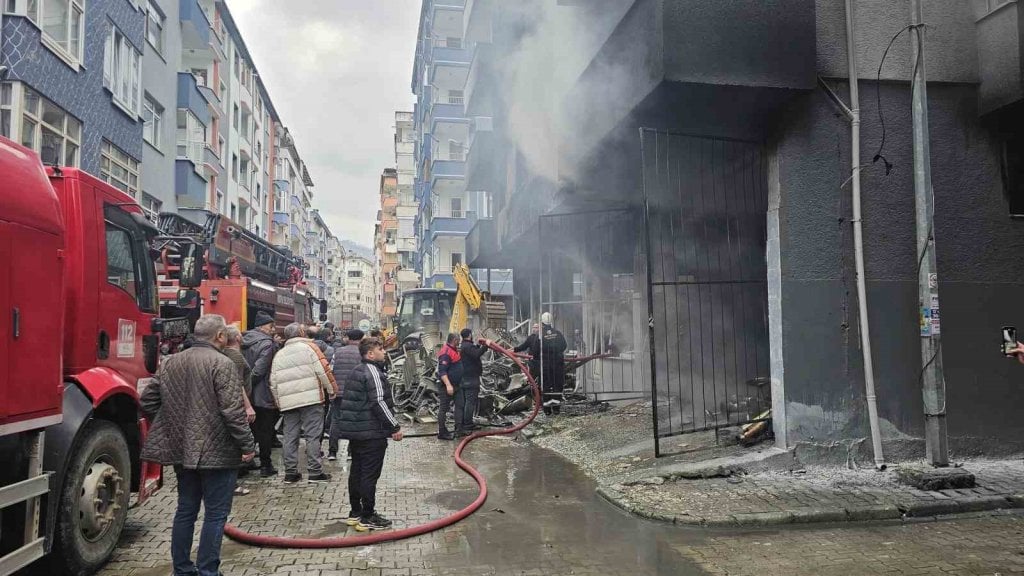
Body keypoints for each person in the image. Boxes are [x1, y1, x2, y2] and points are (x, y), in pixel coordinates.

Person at [140, 314, 256, 576]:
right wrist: (248, 445)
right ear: (219, 336)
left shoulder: (170, 362)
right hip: (218, 452)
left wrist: (171, 423)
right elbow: (232, 412)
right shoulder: (222, 363)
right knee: (215, 515)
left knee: (185, 510)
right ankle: (207, 571)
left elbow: (147, 400)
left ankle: (182, 569)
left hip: (182, 450)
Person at [337, 338, 403, 531]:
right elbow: (379, 402)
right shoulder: (372, 371)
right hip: (371, 433)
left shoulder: (356, 371)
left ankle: (355, 512)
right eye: (380, 349)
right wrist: (395, 427)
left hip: (357, 433)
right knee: (369, 475)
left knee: (356, 471)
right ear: (370, 354)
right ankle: (368, 516)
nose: (384, 352)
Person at [271, 323, 337, 483]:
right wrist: (332, 390)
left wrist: (279, 402)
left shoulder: (279, 354)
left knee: (290, 437)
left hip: (289, 402)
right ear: (301, 332)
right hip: (312, 399)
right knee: (312, 436)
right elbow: (324, 370)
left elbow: (273, 382)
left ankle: (290, 473)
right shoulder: (310, 348)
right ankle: (315, 472)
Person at [242, 311, 280, 477]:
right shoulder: (267, 344)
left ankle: (246, 462)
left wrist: (242, 390)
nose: (273, 330)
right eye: (272, 326)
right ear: (265, 327)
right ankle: (266, 465)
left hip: (244, 394)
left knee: (248, 430)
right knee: (265, 430)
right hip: (261, 394)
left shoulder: (242, 340)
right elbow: (259, 370)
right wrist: (249, 387)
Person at [223, 325, 256, 490]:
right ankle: (232, 482)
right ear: (237, 338)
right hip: (238, 404)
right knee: (236, 441)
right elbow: (238, 382)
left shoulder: (226, 354)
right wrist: (247, 405)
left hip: (235, 402)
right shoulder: (234, 356)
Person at [329, 329, 364, 460]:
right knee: (355, 421)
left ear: (348, 338)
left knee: (336, 420)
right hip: (356, 392)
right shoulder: (362, 353)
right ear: (360, 339)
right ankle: (351, 452)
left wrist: (332, 389)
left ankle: (332, 452)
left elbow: (331, 370)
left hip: (339, 392)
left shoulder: (337, 352)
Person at [459, 328, 490, 431]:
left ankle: (464, 422)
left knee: (467, 401)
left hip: (465, 378)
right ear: (469, 335)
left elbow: (473, 352)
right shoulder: (467, 346)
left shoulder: (464, 345)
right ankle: (467, 424)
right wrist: (486, 346)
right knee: (470, 402)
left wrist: (478, 346)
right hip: (471, 378)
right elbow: (476, 354)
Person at [436, 333, 465, 439]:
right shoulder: (445, 352)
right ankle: (442, 432)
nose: (459, 342)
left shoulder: (454, 350)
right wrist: (448, 385)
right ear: (454, 340)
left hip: (457, 385)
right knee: (443, 408)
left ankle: (458, 429)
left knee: (460, 405)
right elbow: (442, 372)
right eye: (458, 340)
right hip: (447, 386)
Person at [539, 312, 568, 415]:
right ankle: (556, 409)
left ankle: (547, 410)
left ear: (542, 323)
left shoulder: (540, 335)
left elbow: (536, 349)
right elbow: (564, 345)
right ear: (551, 322)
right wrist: (557, 352)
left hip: (546, 364)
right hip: (558, 363)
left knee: (547, 385)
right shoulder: (558, 333)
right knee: (557, 385)